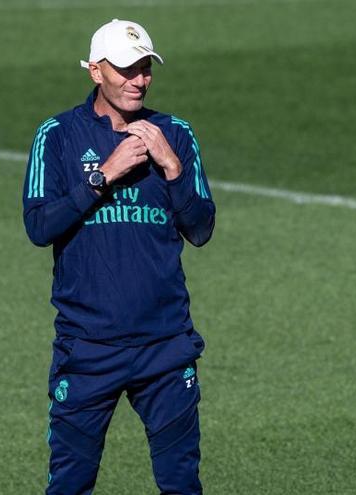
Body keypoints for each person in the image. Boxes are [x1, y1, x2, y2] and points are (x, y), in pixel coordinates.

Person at [22, 18, 216, 495]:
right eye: (126, 69)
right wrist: (101, 176)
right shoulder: (57, 136)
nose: (138, 80)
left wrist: (171, 167)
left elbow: (202, 229)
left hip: (165, 347)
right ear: (95, 71)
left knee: (181, 483)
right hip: (88, 348)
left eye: (145, 68)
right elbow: (39, 226)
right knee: (69, 484)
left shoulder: (176, 134)